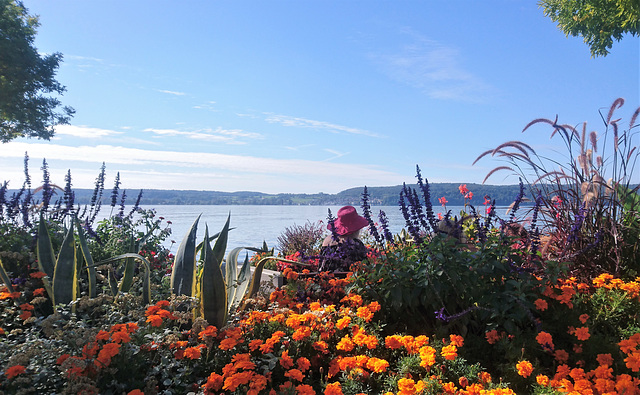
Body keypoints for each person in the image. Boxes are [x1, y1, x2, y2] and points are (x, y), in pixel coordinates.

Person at [318, 206, 369, 272]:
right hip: (350, 280)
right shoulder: (357, 244)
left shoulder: (327, 241)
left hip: (328, 280)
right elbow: (366, 268)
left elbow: (320, 266)